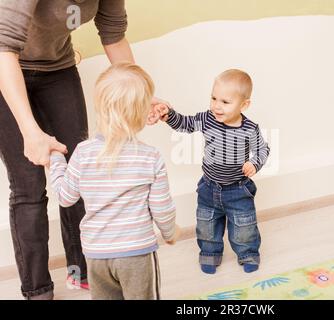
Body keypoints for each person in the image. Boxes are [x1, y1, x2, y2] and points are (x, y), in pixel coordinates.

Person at [0, 0, 136, 299]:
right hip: (6, 67)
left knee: (80, 172)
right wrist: (30, 131)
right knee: (28, 186)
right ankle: (37, 289)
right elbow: (3, 47)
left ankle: (82, 272)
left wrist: (139, 93)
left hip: (57, 70)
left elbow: (113, 34)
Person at [49, 62, 178, 300]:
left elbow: (65, 198)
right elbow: (162, 207)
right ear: (141, 113)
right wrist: (170, 233)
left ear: (99, 108)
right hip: (136, 253)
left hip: (96, 256)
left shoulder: (83, 153)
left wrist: (56, 159)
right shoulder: (150, 157)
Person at [155, 69, 270, 274]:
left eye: (225, 102)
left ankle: (248, 253)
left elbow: (262, 149)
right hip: (209, 187)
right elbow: (186, 124)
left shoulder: (249, 129)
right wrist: (168, 115)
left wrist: (254, 163)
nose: (217, 105)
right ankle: (210, 253)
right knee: (207, 224)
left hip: (238, 189)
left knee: (244, 226)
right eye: (214, 98)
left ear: (244, 105)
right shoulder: (208, 119)